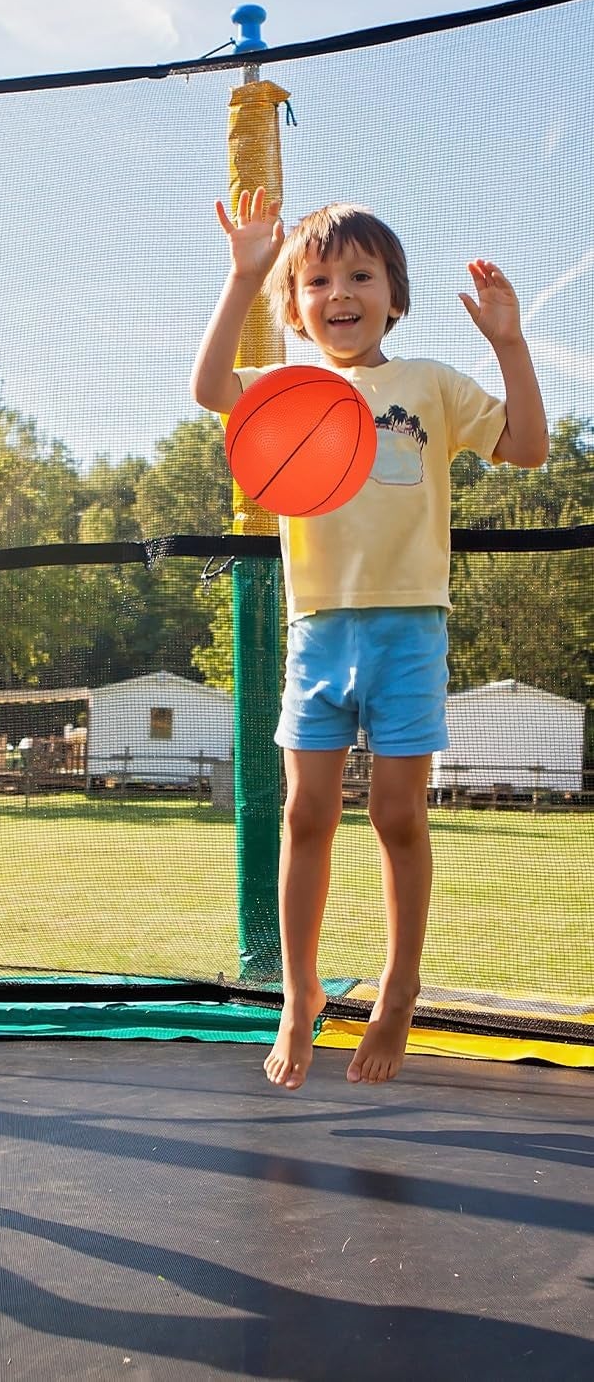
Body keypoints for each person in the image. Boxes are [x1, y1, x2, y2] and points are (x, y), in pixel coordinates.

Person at [190, 187, 548, 1089]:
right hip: (318, 631)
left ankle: (396, 993)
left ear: (396, 293)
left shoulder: (428, 384)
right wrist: (243, 273)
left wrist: (507, 342)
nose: (339, 292)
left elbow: (532, 448)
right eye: (316, 280)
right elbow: (208, 390)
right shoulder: (289, 390)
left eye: (360, 275)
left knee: (396, 816)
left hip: (408, 629)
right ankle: (298, 993)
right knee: (306, 814)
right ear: (294, 305)